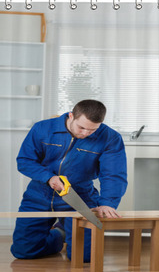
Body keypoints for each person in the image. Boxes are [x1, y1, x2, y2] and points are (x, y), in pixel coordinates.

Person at [11, 100, 127, 262]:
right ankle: (60, 234)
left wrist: (107, 203)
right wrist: (49, 178)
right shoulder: (43, 128)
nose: (86, 133)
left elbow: (114, 174)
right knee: (24, 251)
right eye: (81, 127)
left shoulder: (110, 138)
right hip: (39, 195)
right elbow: (25, 161)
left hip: (80, 196)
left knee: (84, 257)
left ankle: (67, 230)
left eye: (93, 129)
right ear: (71, 116)